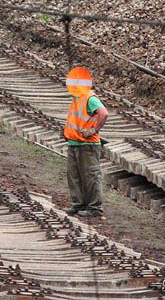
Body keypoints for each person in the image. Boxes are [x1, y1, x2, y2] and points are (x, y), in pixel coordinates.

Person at [62, 66, 108, 217]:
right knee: (74, 176)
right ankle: (78, 204)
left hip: (87, 144)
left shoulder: (90, 98)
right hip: (74, 143)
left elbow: (103, 113)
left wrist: (93, 130)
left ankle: (95, 208)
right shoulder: (77, 98)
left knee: (90, 176)